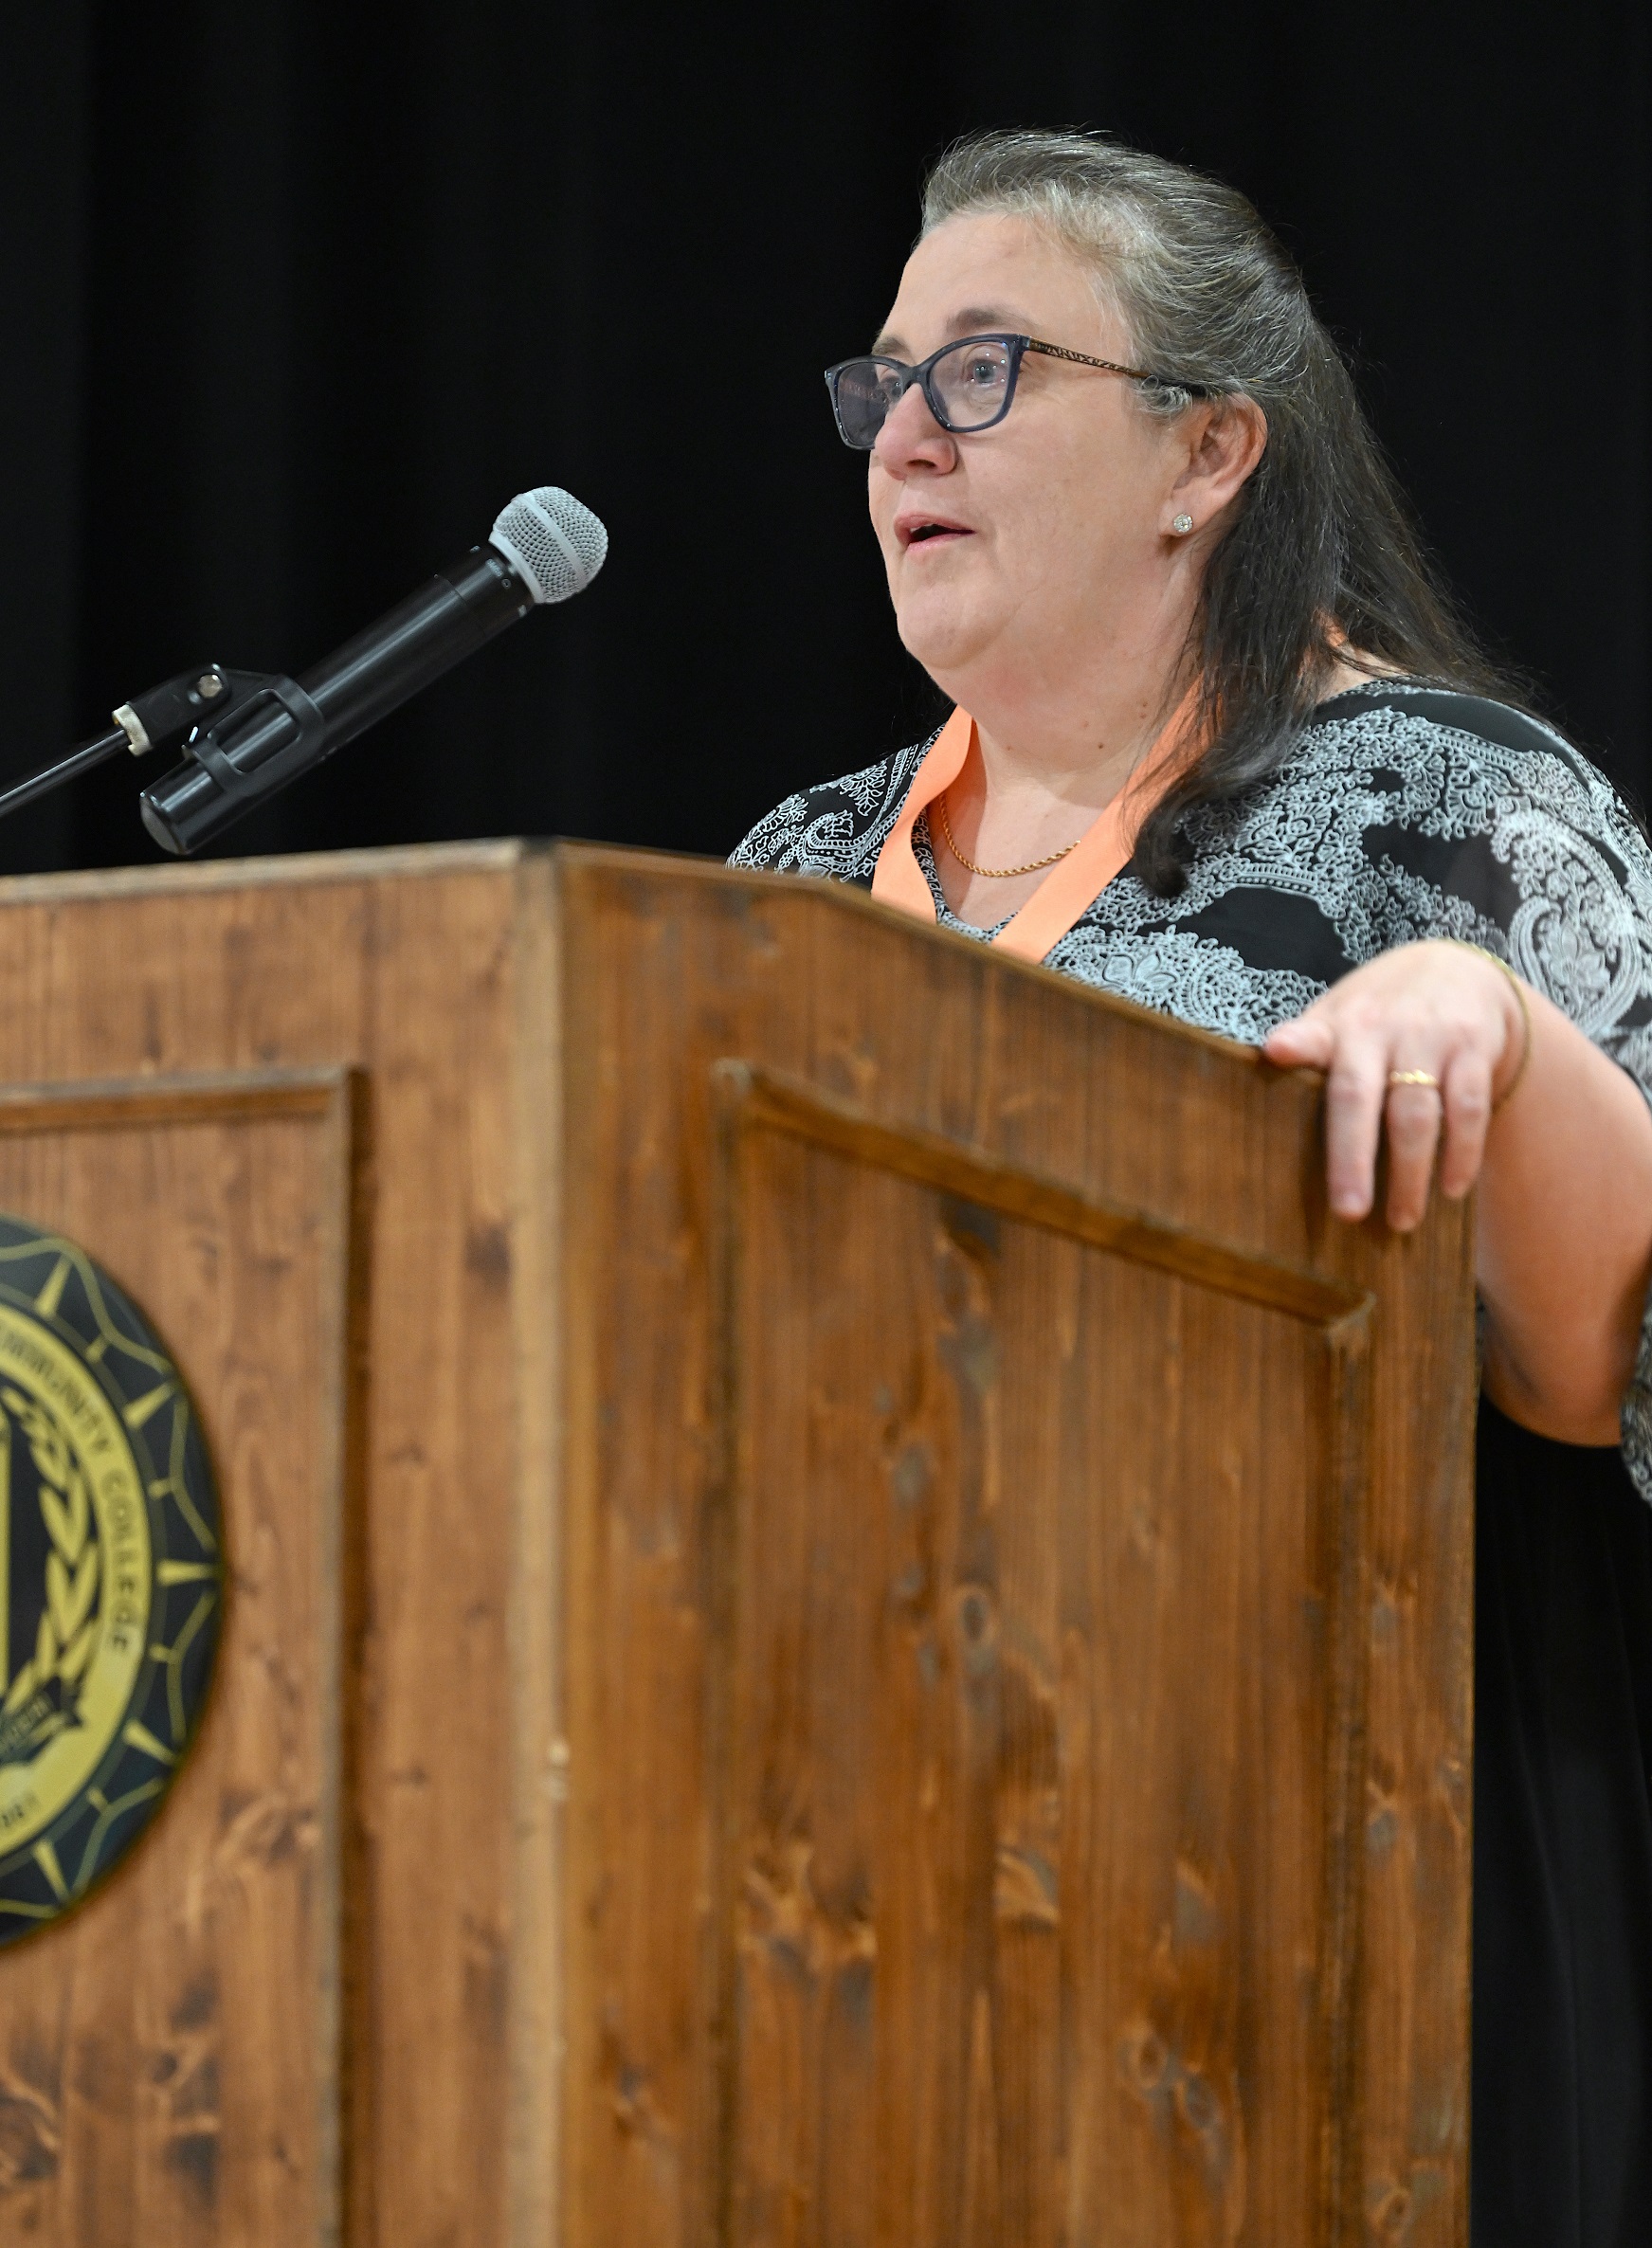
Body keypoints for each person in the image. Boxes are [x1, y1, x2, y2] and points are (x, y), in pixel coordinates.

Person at [731, 128, 1652, 2244]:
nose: (900, 439)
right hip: (859, 1903)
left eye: (981, 371)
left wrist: (1495, 1045)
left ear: (1204, 452)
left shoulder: (1450, 813)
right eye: (882, 385)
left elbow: (1624, 1382)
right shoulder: (790, 873)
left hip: (1351, 1893)